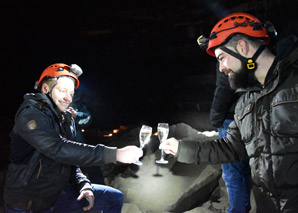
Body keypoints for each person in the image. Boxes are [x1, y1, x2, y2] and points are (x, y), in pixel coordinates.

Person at [160, 12, 298, 212]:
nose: (222, 68)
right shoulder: (246, 104)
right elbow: (231, 148)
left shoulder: (294, 83)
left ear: (242, 47)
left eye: (222, 58)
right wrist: (182, 148)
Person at [4, 63, 143, 212]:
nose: (67, 98)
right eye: (62, 91)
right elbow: (57, 149)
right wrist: (114, 154)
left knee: (112, 198)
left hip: (55, 196)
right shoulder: (31, 114)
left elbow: (70, 161)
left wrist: (84, 185)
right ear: (46, 89)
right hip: (28, 203)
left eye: (71, 93)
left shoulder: (63, 118)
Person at [210, 67, 251, 213]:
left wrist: (215, 119)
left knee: (231, 172)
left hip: (230, 118)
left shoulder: (227, 55)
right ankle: (244, 206)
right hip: (250, 115)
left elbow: (224, 88)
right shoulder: (258, 50)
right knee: (245, 168)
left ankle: (237, 210)